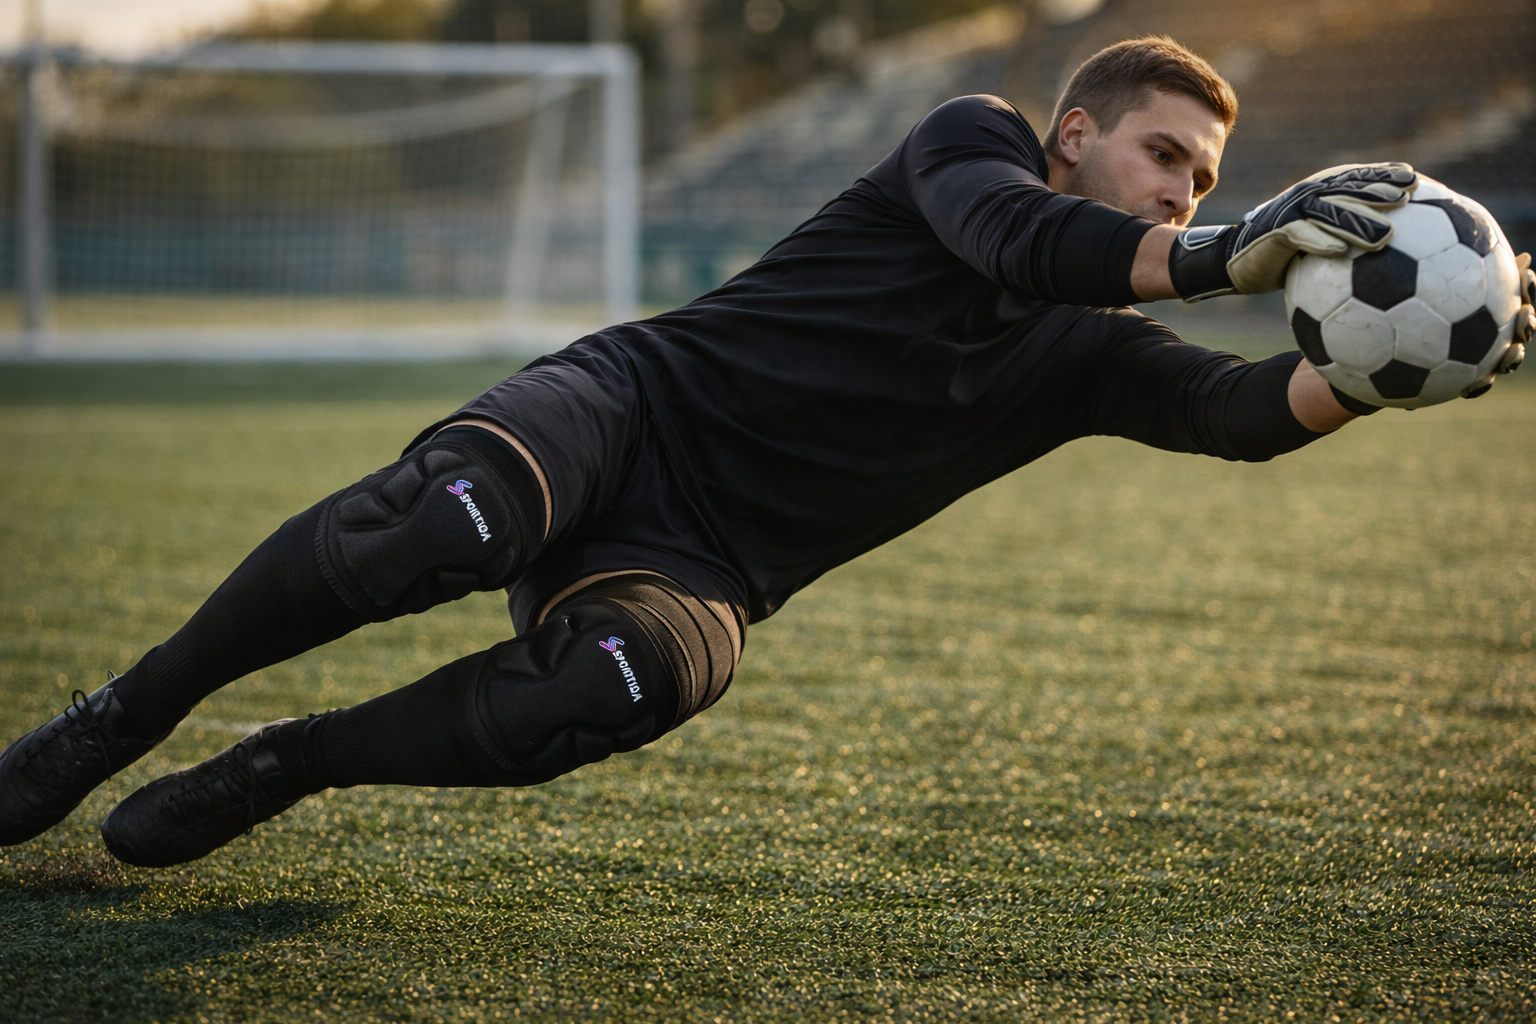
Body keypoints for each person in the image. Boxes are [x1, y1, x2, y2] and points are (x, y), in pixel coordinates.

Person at [1, 37, 1525, 867]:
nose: (1183, 202)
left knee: (609, 688)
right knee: (429, 528)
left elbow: (1231, 415)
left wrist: (1374, 379)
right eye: (1162, 164)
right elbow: (1017, 240)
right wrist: (1221, 259)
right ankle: (127, 710)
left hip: (710, 562)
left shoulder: (1089, 348)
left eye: (1204, 190)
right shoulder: (968, 145)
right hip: (629, 407)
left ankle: (283, 767)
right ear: (1074, 132)